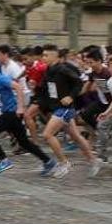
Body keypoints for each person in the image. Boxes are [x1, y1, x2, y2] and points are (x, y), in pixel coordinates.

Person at [0, 54, 56, 175]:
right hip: (6, 113)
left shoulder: (0, 78)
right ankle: (49, 161)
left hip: (11, 112)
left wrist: (20, 107)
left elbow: (18, 88)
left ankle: (4, 161)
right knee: (24, 142)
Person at [38, 45, 97, 178]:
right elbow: (48, 89)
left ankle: (64, 163)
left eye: (46, 55)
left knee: (47, 135)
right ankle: (93, 161)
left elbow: (79, 83)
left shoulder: (64, 69)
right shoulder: (48, 70)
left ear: (55, 56)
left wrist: (70, 96)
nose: (43, 58)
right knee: (76, 136)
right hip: (57, 107)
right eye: (43, 55)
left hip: (65, 108)